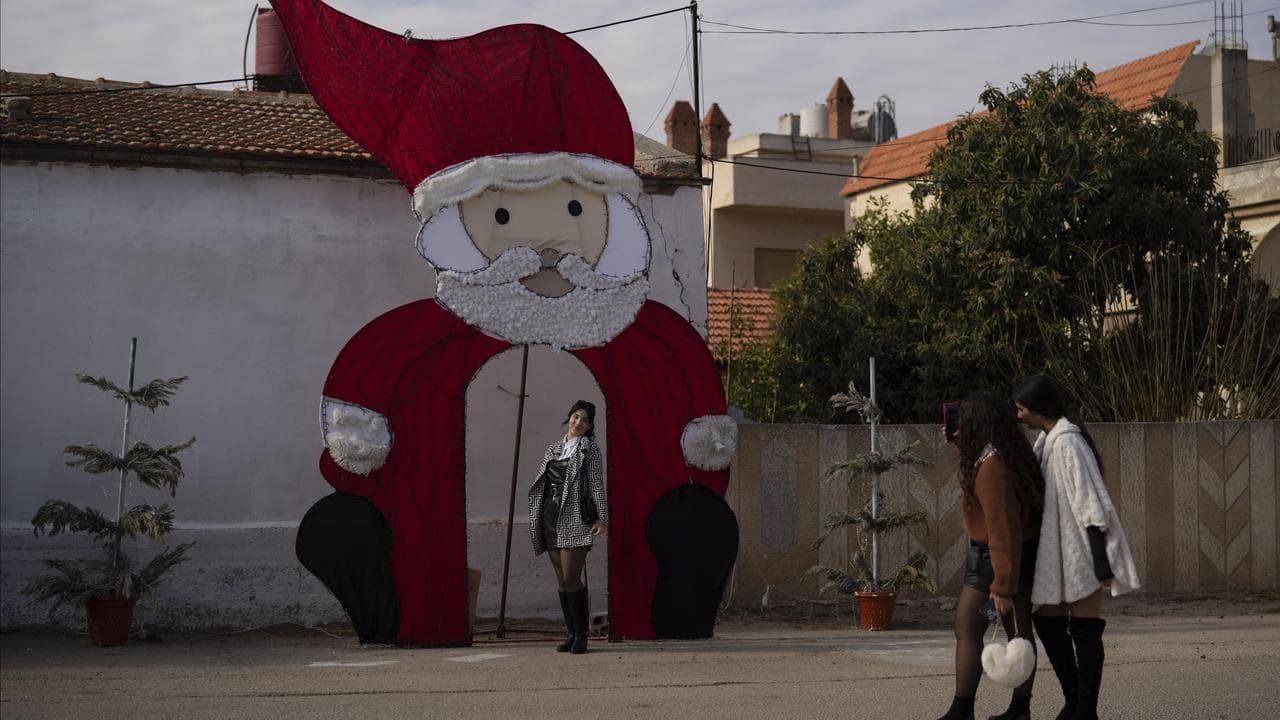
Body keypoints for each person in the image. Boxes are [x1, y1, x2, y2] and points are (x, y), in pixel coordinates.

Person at [1013, 375, 1140, 720]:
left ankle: (1086, 711)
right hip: (1058, 554)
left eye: (1022, 409)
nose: (1019, 415)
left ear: (1038, 409)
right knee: (1049, 623)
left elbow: (1091, 502)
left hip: (1082, 551)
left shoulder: (1069, 444)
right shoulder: (1048, 441)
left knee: (1084, 629)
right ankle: (1074, 701)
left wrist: (1100, 561)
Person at [937, 391, 1045, 720]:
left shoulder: (992, 467)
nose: (956, 430)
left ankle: (963, 710)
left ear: (978, 425)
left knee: (969, 627)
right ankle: (1018, 710)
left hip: (993, 565)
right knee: (1017, 631)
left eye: (962, 423)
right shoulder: (998, 455)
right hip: (1004, 561)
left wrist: (1002, 585)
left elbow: (1002, 528)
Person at [528, 400, 609, 654]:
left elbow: (596, 484)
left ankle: (582, 635)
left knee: (572, 577)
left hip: (575, 518)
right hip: (550, 518)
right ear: (569, 417)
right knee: (562, 580)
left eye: (584, 420)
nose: (578, 422)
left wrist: (602, 519)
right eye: (575, 417)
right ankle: (571, 633)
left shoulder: (590, 450)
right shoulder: (553, 449)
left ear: (589, 426)